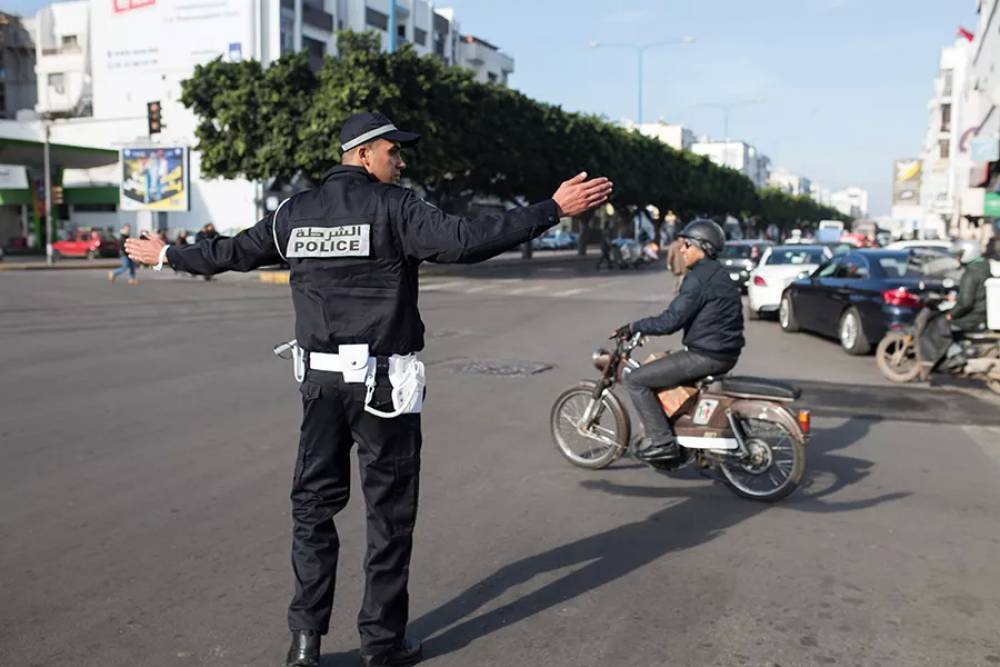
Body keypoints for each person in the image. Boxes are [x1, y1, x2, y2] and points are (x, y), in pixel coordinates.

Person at [124, 110, 613, 667]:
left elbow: (229, 253)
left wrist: (165, 254)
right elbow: (468, 241)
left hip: (321, 387)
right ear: (361, 154)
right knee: (389, 515)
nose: (400, 161)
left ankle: (305, 645)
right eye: (392, 152)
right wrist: (551, 208)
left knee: (312, 510)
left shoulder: (293, 213)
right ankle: (381, 645)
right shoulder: (397, 208)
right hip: (384, 389)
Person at [613, 219, 745, 463]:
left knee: (636, 380)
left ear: (701, 247)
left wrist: (635, 326)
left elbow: (670, 321)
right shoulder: (718, 273)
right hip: (725, 352)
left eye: (685, 245)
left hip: (706, 356)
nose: (681, 249)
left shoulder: (697, 279)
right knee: (666, 365)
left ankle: (663, 443)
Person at [920, 238, 997, 371]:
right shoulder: (983, 266)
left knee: (940, 324)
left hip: (974, 315)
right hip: (982, 311)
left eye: (959, 254)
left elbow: (966, 302)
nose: (957, 258)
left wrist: (951, 314)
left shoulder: (971, 274)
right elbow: (975, 294)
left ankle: (951, 358)